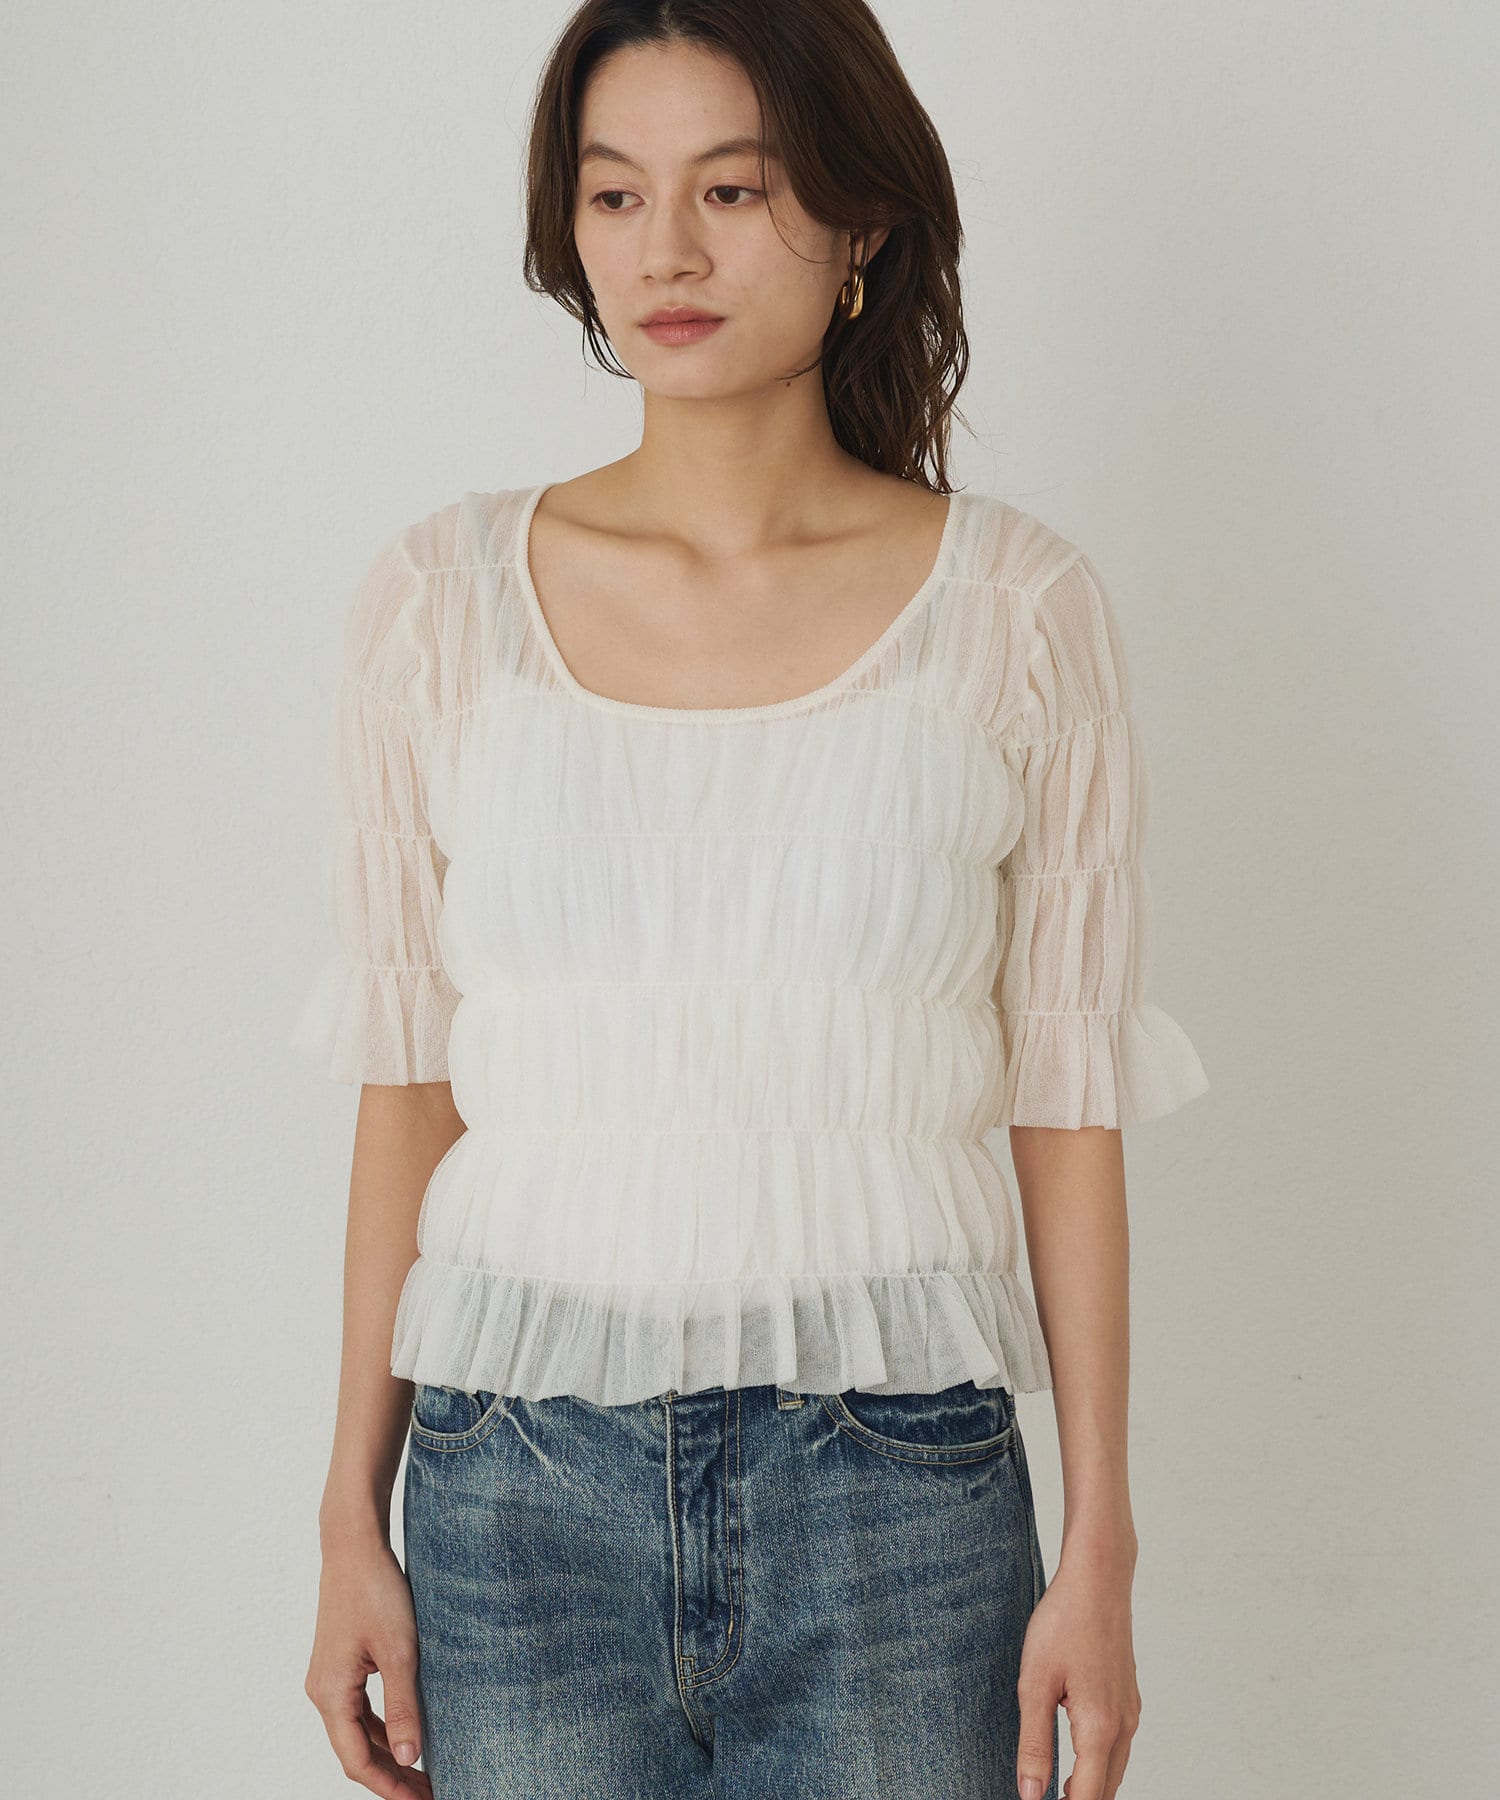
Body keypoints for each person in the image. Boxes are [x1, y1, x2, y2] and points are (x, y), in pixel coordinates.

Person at [293, 4, 1209, 1798]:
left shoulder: (1018, 612)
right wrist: (348, 1514)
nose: (668, 251)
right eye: (615, 195)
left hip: (900, 1498)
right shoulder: (437, 604)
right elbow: (410, 1089)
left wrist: (1100, 1538)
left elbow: (1067, 1100)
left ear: (860, 219)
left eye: (733, 189)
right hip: (509, 1497)